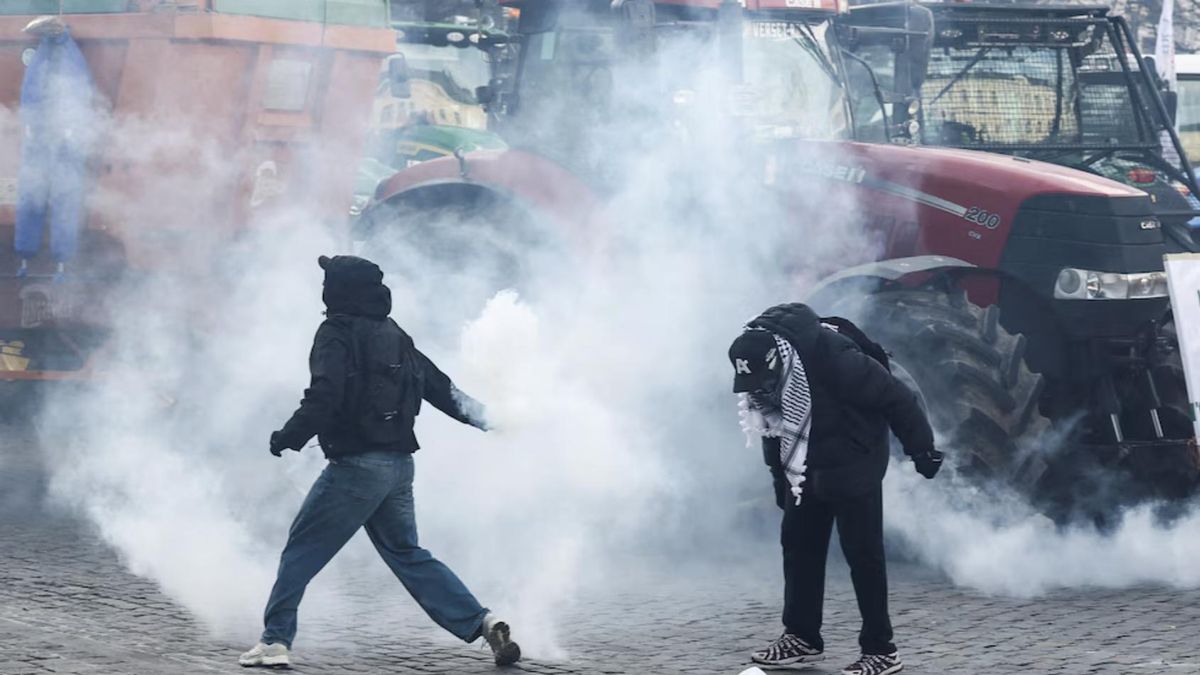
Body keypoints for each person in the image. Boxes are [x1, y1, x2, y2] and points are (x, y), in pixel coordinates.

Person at [239, 255, 520, 668]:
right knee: (407, 553)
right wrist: (491, 419)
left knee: (301, 551)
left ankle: (275, 642)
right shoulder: (395, 333)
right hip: (399, 468)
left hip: (356, 469)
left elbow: (325, 393)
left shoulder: (335, 332)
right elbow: (441, 388)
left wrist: (289, 436)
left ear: (337, 290)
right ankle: (483, 623)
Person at [729, 303, 941, 675]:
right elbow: (772, 428)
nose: (760, 390)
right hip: (805, 464)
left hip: (854, 458)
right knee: (798, 546)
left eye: (765, 381)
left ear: (778, 362)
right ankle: (802, 638)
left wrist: (922, 450)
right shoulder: (766, 369)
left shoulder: (836, 358)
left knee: (864, 557)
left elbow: (897, 397)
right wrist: (781, 482)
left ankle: (881, 651)